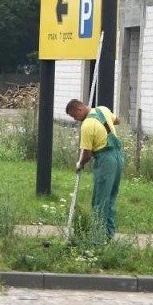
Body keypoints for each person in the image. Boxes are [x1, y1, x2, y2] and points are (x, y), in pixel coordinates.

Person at [65, 99, 124, 242]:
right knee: (110, 198)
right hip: (118, 157)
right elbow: (118, 121)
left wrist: (79, 164)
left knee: (100, 199)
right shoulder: (102, 109)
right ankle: (109, 234)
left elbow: (87, 154)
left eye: (74, 116)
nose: (75, 119)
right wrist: (105, 127)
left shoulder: (87, 125)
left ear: (79, 110)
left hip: (105, 159)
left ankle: (97, 239)